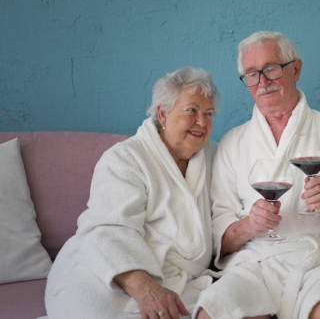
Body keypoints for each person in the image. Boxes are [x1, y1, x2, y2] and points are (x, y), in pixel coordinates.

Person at [194, 31, 320, 319]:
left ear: (295, 69)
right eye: (251, 74)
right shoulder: (233, 143)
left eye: (271, 68)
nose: (263, 82)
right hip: (255, 262)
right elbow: (218, 230)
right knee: (212, 312)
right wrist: (249, 225)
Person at [45, 67, 220, 319]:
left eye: (209, 113)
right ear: (163, 113)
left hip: (177, 279)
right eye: (192, 110)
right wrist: (145, 288)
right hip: (109, 267)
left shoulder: (215, 157)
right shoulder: (125, 157)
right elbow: (109, 229)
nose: (202, 122)